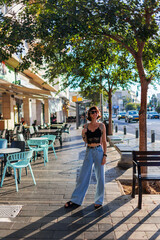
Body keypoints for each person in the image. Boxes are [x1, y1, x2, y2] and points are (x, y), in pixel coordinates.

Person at [65, 106, 107, 209]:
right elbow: (86, 141)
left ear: (98, 113)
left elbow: (104, 141)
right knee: (83, 175)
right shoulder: (86, 126)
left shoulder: (102, 126)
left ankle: (99, 200)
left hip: (98, 151)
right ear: (89, 114)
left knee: (100, 177)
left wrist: (105, 155)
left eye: (96, 112)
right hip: (89, 151)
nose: (94, 113)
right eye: (92, 112)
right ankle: (76, 200)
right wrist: (83, 135)